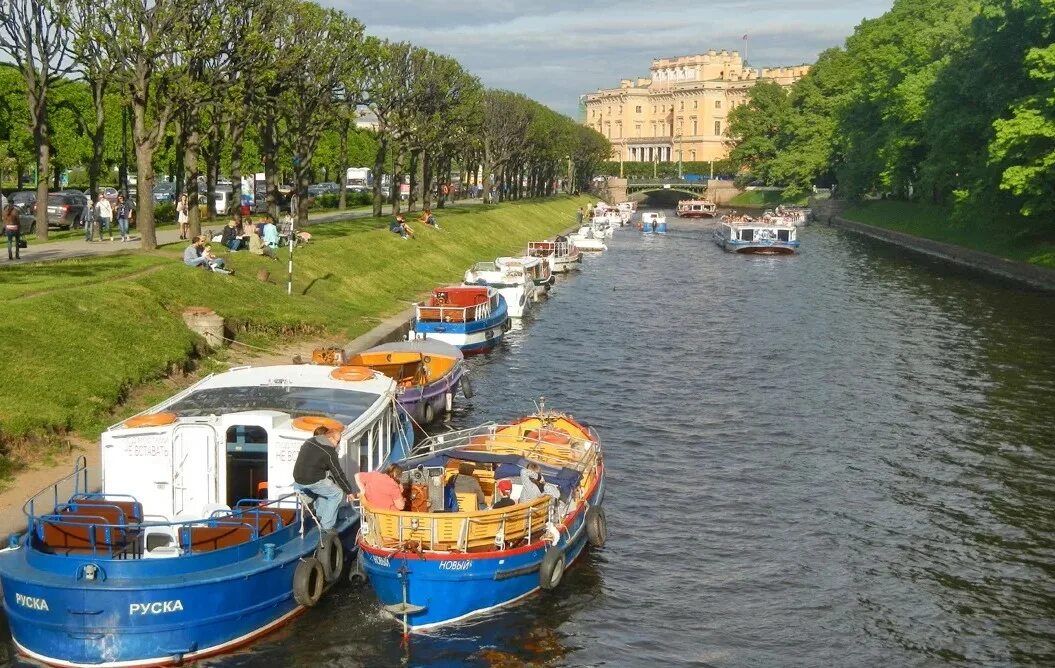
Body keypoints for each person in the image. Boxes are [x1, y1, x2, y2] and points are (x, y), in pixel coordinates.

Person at [292, 426, 357, 532]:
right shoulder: (329, 452)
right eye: (338, 441)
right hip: (312, 481)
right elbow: (338, 474)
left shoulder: (310, 441)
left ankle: (318, 512)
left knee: (324, 490)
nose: (338, 444)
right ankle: (326, 527)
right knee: (337, 493)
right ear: (330, 438)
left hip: (298, 480)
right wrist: (348, 491)